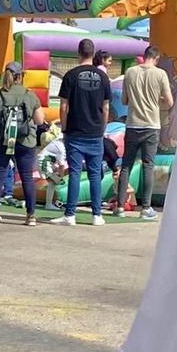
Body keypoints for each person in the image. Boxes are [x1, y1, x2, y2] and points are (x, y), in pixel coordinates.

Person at [55, 39, 114, 226]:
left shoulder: (70, 76)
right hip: (95, 131)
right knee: (95, 174)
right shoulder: (103, 77)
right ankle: (97, 215)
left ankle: (70, 214)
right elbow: (106, 107)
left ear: (78, 53)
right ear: (93, 53)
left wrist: (64, 127)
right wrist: (102, 128)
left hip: (74, 130)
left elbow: (64, 106)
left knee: (74, 172)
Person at [114, 46, 175, 219]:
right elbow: (170, 102)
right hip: (151, 125)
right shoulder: (160, 74)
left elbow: (124, 100)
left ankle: (119, 206)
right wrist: (158, 100)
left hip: (133, 124)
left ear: (144, 56)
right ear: (156, 59)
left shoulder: (130, 73)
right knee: (148, 165)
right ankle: (146, 208)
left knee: (126, 165)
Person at [0, 66, 41, 227]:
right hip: (25, 141)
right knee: (26, 177)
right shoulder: (29, 95)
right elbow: (40, 120)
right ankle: (31, 216)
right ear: (20, 76)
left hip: (1, 140)